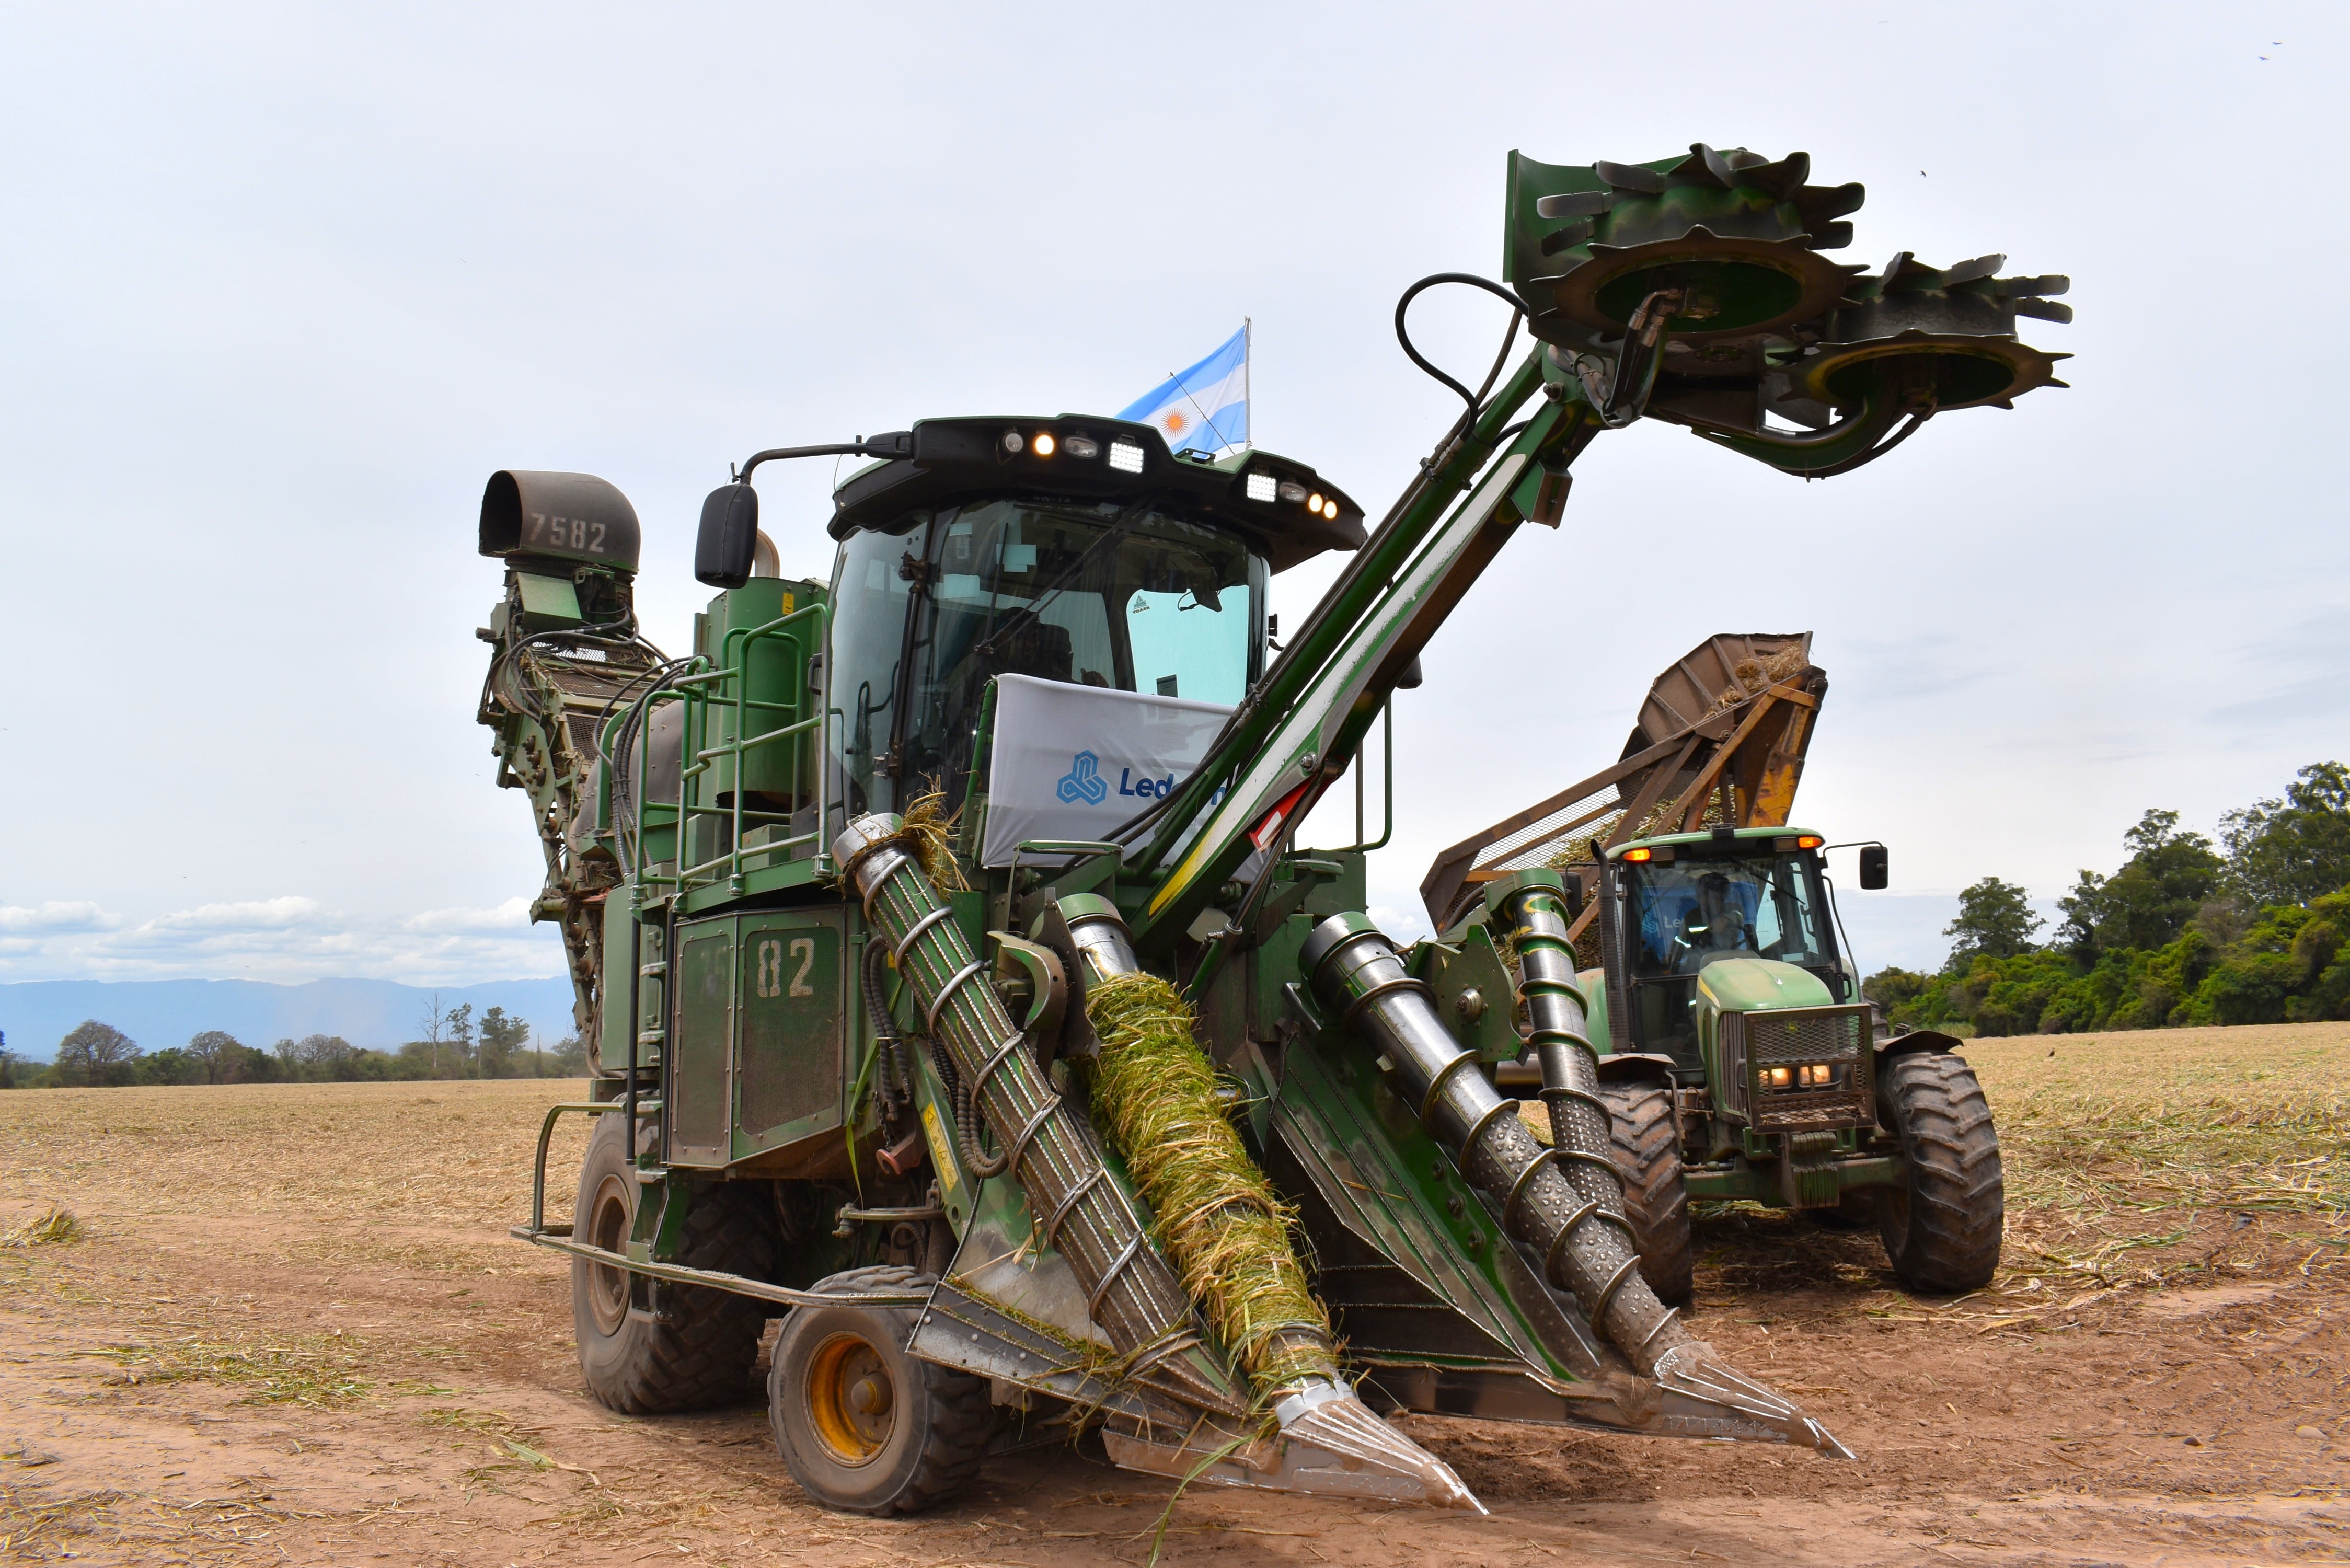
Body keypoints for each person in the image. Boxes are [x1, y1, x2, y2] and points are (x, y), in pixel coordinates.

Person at [1670, 872, 1755, 973]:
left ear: (1722, 897)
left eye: (1712, 897)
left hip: (1732, 968)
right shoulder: (1690, 918)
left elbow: (1739, 915)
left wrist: (1726, 919)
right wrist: (1672, 956)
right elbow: (1681, 946)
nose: (1706, 901)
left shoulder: (1734, 910)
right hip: (1701, 971)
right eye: (1702, 896)